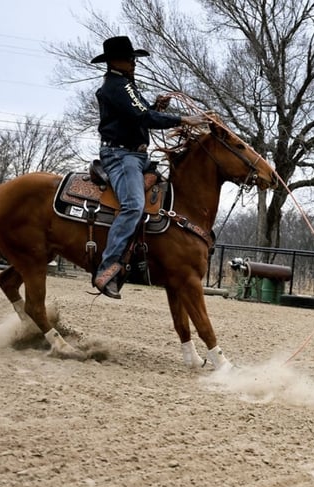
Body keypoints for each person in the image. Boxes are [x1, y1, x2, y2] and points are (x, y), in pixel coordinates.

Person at [90, 35, 209, 299]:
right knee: (133, 205)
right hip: (121, 156)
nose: (134, 62)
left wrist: (156, 107)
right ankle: (107, 268)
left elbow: (140, 115)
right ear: (115, 61)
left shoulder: (125, 85)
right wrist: (183, 119)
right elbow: (142, 117)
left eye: (134, 58)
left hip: (135, 156)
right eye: (129, 58)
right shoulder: (116, 87)